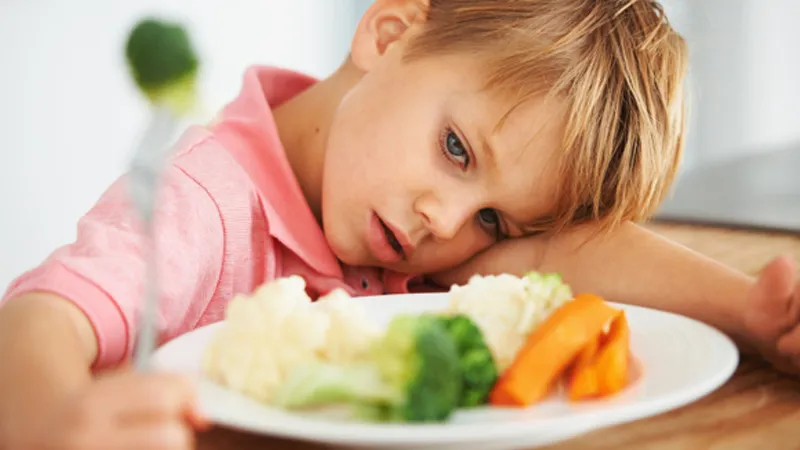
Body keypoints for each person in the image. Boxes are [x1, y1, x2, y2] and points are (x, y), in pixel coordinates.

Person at [1, 0, 798, 448]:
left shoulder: (421, 222)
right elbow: (43, 317)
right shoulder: (205, 202)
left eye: (494, 218)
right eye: (455, 149)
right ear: (389, 36)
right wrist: (45, 422)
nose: (445, 222)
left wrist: (749, 312)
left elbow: (566, 249)